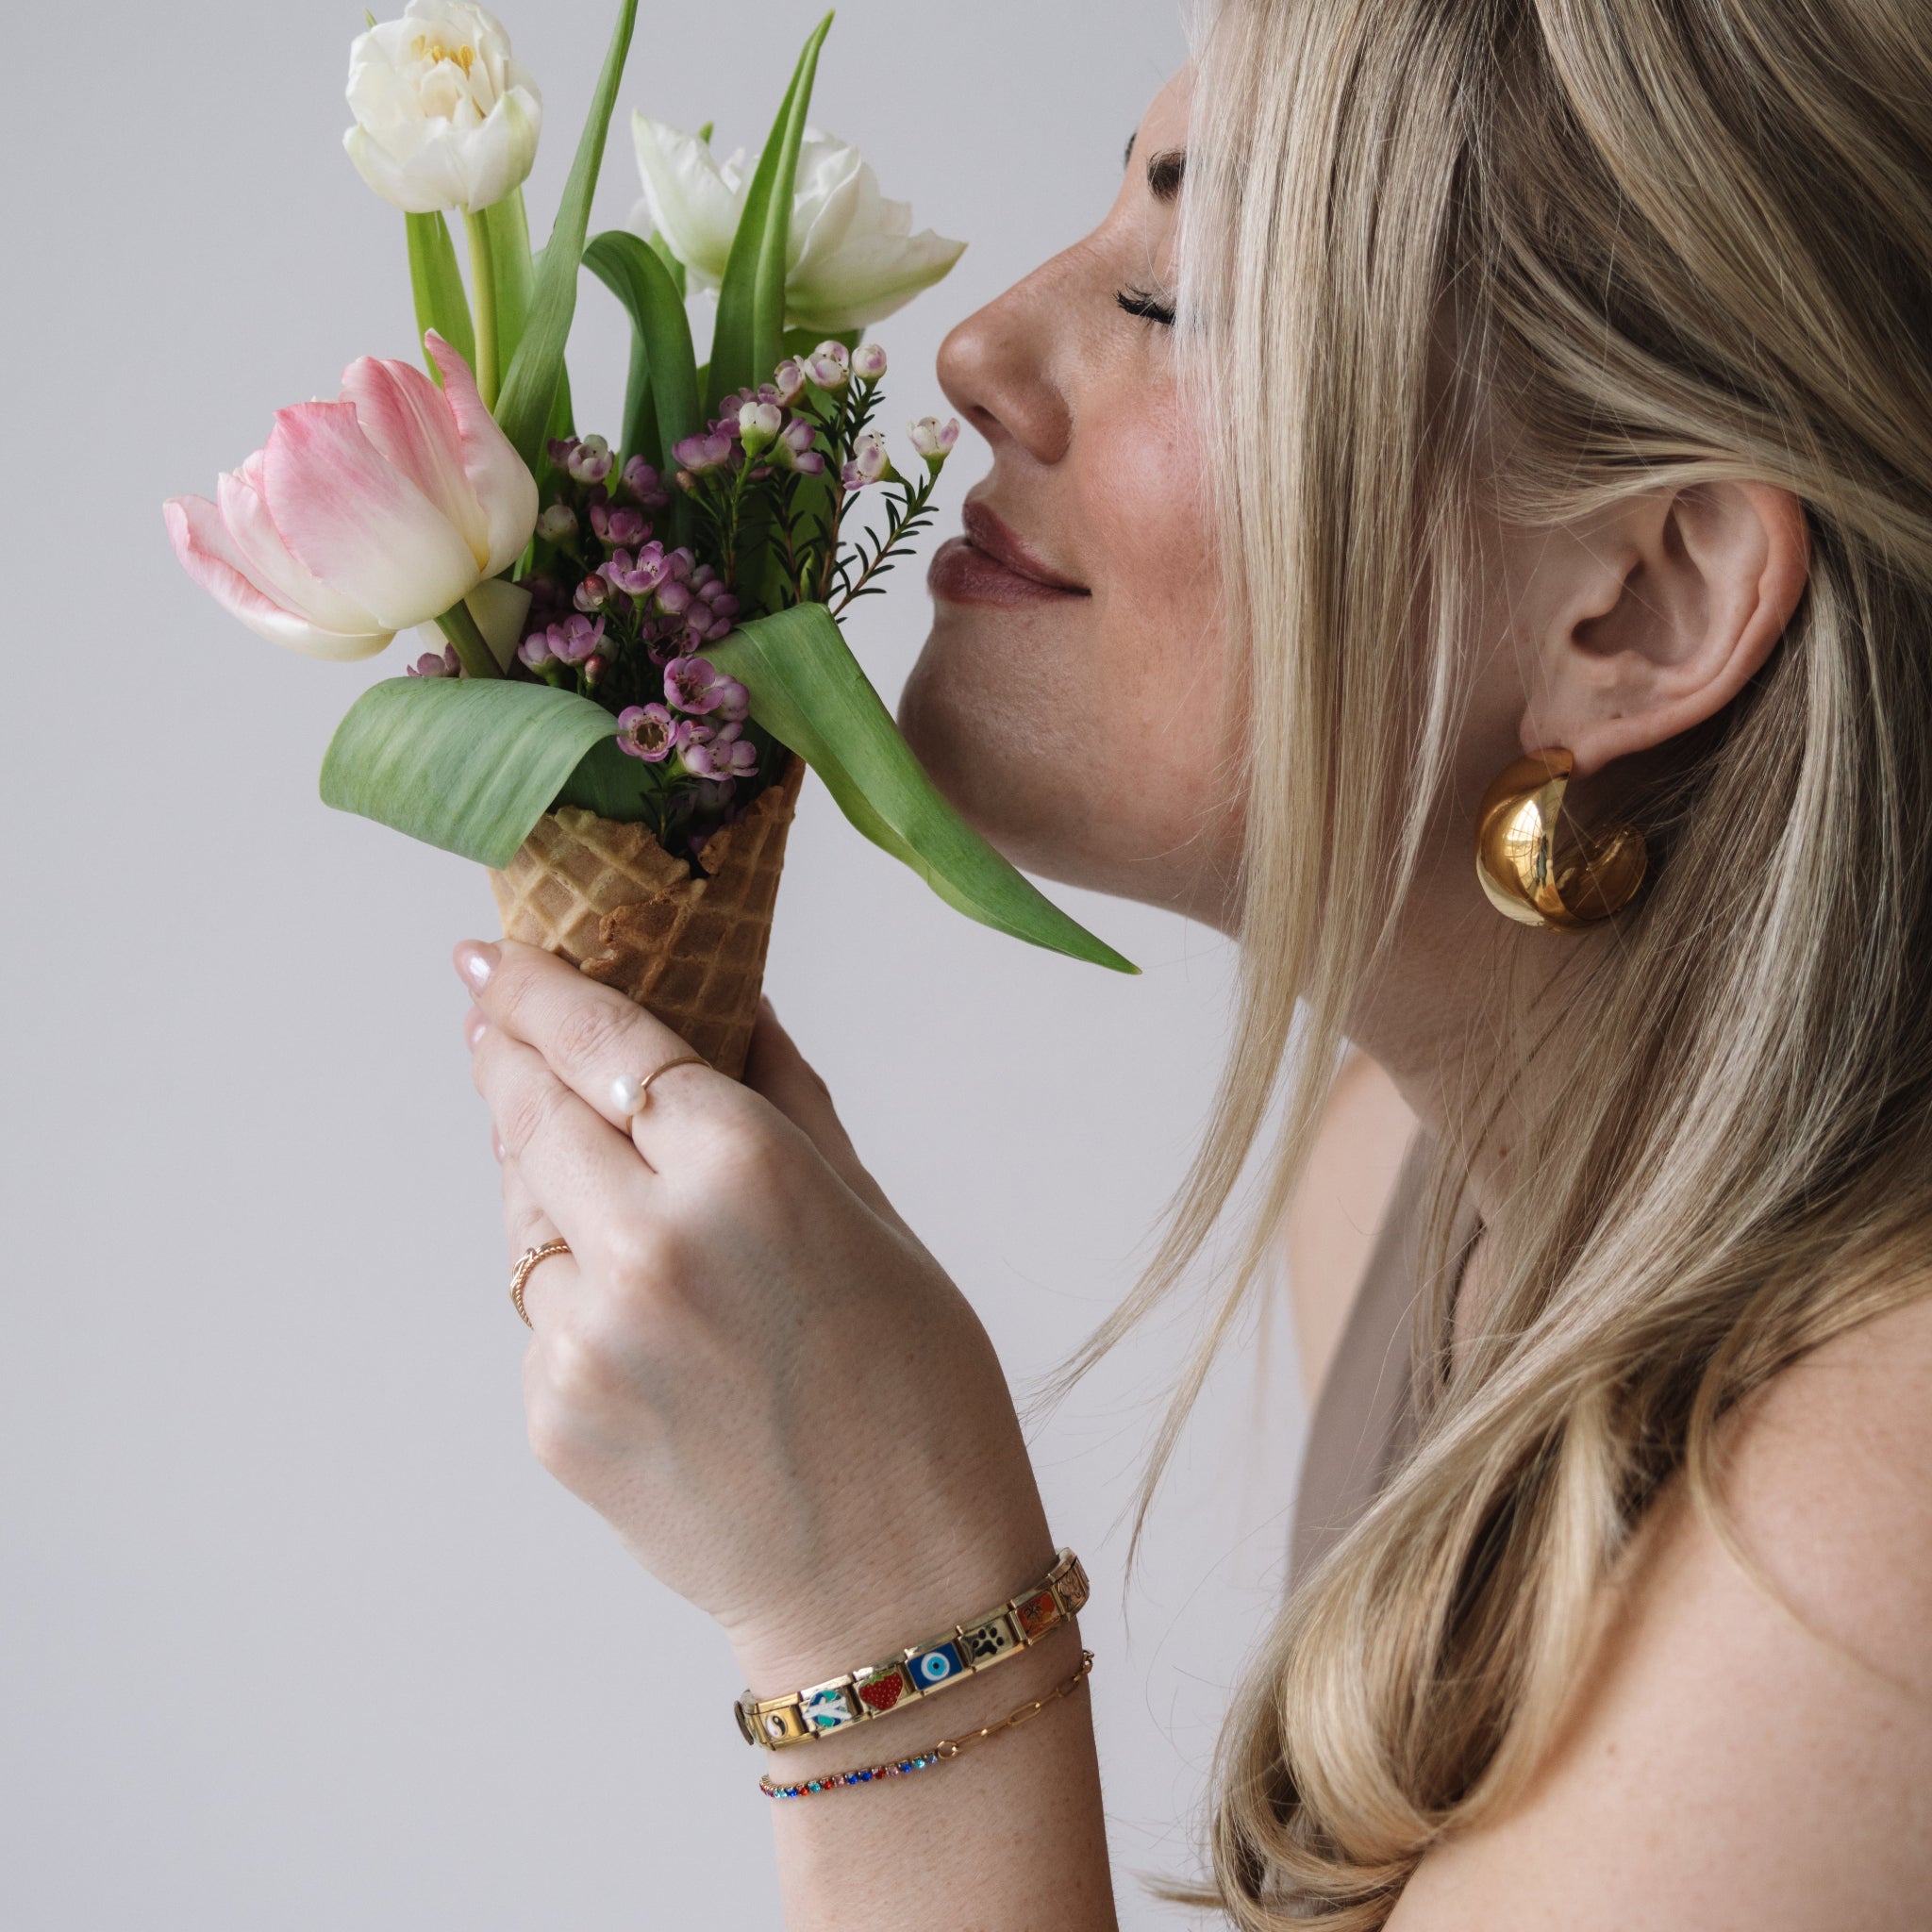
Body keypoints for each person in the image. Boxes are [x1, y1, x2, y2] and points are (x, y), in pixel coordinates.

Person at [453, 2, 1932, 1924]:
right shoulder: (1396, 1182)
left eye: (1179, 295)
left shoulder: (1856, 1548)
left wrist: (894, 1626)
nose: (980, 351)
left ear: (1639, 601)